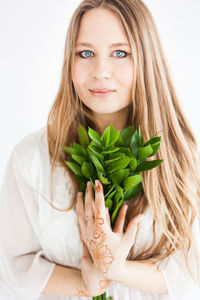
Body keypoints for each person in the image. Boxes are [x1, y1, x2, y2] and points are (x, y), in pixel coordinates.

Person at [0, 0, 200, 299]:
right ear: (70, 61)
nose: (101, 71)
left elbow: (191, 270)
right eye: (86, 53)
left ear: (146, 60)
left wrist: (115, 268)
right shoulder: (31, 157)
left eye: (120, 53)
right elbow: (13, 269)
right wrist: (85, 282)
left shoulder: (182, 154)